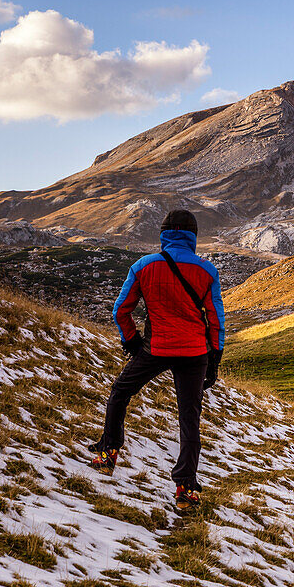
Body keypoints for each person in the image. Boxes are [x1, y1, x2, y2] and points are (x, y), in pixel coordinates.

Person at [88, 209, 225, 511]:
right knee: (189, 418)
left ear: (163, 233)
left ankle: (108, 452)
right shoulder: (207, 271)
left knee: (120, 393)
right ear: (193, 235)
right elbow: (215, 321)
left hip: (157, 348)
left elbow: (120, 311)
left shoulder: (143, 266)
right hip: (194, 353)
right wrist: (214, 360)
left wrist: (133, 342)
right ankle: (186, 489)